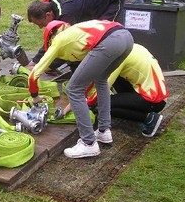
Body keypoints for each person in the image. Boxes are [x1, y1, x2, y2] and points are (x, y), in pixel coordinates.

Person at [28, 20, 133, 158]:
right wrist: (74, 101)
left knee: (72, 88)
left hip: (110, 41)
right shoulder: (76, 32)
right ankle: (104, 131)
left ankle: (88, 143)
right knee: (101, 80)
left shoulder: (59, 40)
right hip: (126, 37)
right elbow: (89, 79)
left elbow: (33, 75)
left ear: (49, 39)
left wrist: (35, 96)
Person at [59, 43, 169, 138]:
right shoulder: (126, 48)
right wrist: (74, 101)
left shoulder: (119, 58)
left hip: (154, 100)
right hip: (151, 92)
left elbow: (103, 86)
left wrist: (83, 104)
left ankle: (150, 119)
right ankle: (132, 106)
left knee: (103, 106)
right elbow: (96, 79)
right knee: (111, 83)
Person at [26, 0, 124, 69]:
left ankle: (104, 69)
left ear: (48, 14)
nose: (40, 27)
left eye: (41, 24)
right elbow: (52, 39)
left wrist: (45, 66)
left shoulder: (67, 14)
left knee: (105, 35)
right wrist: (35, 61)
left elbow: (66, 45)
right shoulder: (53, 7)